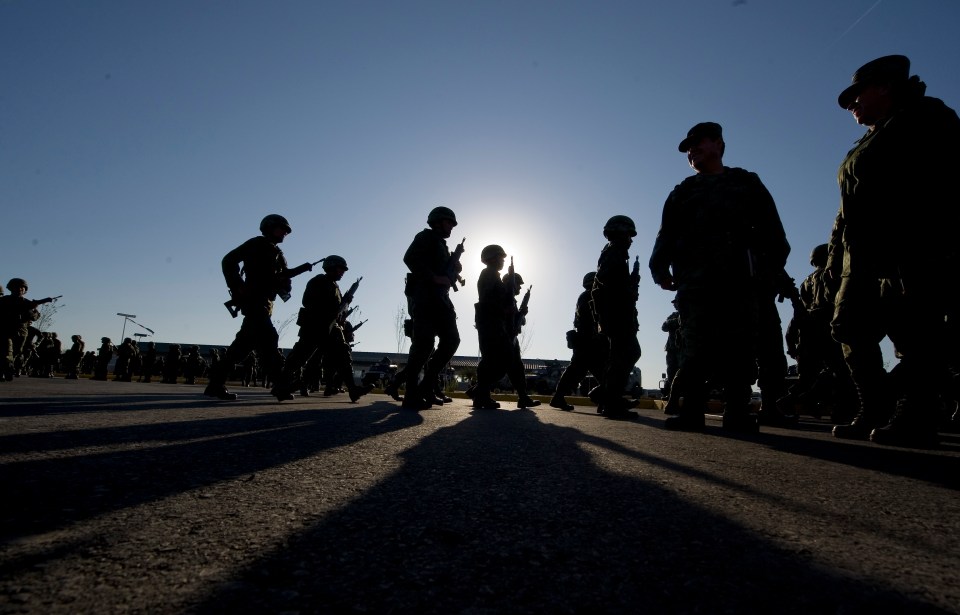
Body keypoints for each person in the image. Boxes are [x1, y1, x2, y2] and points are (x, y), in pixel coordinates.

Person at [829, 55, 960, 446]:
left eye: (857, 94)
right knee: (849, 325)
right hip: (862, 254)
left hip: (915, 247)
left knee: (918, 333)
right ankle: (875, 406)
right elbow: (850, 205)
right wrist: (837, 253)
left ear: (885, 87)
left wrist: (935, 243)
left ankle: (916, 416)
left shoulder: (927, 118)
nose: (852, 103)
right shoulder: (870, 137)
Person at [650, 122, 790, 432]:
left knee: (739, 349)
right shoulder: (683, 192)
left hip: (740, 282)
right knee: (695, 349)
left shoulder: (747, 183)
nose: (692, 150)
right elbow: (667, 234)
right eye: (688, 147)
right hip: (696, 285)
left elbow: (773, 232)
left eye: (698, 143)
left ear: (718, 144)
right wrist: (659, 269)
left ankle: (738, 412)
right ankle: (692, 412)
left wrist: (769, 270)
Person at [203, 214, 313, 401]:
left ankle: (215, 384)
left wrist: (294, 275)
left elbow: (281, 278)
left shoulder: (279, 254)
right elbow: (228, 261)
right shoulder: (256, 244)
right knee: (270, 338)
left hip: (265, 304)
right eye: (282, 229)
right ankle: (281, 385)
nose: (285, 233)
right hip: (254, 301)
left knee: (242, 347)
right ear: (269, 227)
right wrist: (237, 286)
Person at [272, 255, 372, 402]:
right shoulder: (319, 281)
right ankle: (281, 387)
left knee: (344, 354)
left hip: (332, 327)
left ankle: (353, 389)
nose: (342, 272)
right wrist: (332, 309)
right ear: (330, 267)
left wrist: (345, 304)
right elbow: (308, 301)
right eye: (340, 269)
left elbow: (336, 309)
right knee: (299, 357)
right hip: (315, 325)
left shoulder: (335, 286)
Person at [400, 206, 463, 410]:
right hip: (425, 297)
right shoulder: (425, 237)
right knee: (424, 344)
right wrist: (433, 277)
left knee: (451, 340)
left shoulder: (442, 246)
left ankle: (427, 384)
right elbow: (410, 258)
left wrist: (454, 268)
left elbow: (443, 270)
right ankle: (411, 395)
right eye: (448, 223)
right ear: (437, 222)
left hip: (441, 300)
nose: (451, 227)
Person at [592, 215, 642, 420]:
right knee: (627, 353)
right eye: (628, 235)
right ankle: (609, 400)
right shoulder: (614, 252)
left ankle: (607, 397)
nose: (631, 240)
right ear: (619, 233)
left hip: (617, 314)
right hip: (617, 315)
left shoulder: (617, 253)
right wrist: (626, 289)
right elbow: (606, 280)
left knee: (622, 355)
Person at [550, 272, 606, 412]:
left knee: (579, 371)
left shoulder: (586, 296)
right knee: (601, 373)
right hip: (588, 342)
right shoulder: (589, 296)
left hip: (586, 341)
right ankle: (603, 400)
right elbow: (592, 320)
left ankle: (603, 401)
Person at [0, 278, 56, 381]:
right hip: (6, 330)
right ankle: (4, 371)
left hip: (21, 332)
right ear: (11, 288)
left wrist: (32, 309)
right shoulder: (4, 300)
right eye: (17, 287)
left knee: (17, 352)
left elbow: (35, 317)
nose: (20, 289)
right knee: (6, 352)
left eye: (22, 288)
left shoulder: (27, 303)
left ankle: (9, 368)